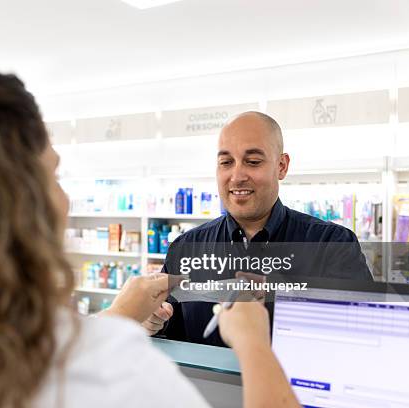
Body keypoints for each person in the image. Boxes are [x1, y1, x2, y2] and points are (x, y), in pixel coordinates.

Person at [0, 63, 299, 407]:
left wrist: (117, 319)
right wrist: (252, 343)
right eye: (54, 176)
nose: (65, 201)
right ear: (18, 204)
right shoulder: (109, 374)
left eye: (252, 160)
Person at [144, 111, 373, 343]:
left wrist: (285, 297)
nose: (237, 176)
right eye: (226, 162)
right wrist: (152, 322)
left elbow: (366, 331)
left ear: (282, 166)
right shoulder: (186, 248)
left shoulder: (331, 244)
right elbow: (168, 330)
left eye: (253, 162)